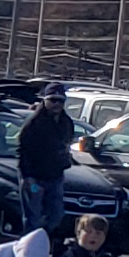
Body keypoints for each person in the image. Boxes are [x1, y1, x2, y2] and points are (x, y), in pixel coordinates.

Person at [17, 93, 78, 235]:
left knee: (57, 215)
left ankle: (44, 239)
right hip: (34, 179)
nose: (57, 104)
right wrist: (27, 176)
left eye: (61, 101)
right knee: (33, 217)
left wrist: (64, 160)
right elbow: (22, 150)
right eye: (53, 100)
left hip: (56, 177)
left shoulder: (66, 122)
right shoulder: (33, 123)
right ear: (44, 101)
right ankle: (30, 245)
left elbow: (67, 143)